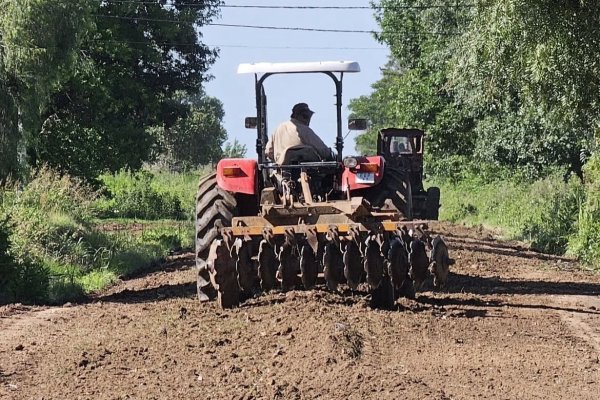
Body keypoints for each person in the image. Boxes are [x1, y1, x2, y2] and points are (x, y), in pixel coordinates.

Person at [265, 103, 331, 165]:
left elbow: (268, 151)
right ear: (296, 115)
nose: (308, 120)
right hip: (309, 174)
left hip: (280, 174)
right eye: (305, 116)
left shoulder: (278, 128)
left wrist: (279, 160)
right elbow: (324, 151)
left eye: (309, 117)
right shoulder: (305, 130)